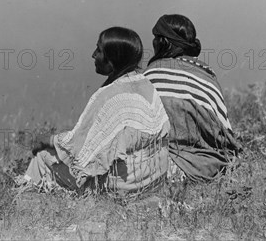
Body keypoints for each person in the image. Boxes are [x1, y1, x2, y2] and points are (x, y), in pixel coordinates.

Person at [21, 27, 171, 194]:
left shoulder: (108, 96)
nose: (93, 55)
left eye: (99, 50)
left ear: (112, 58)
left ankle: (22, 199)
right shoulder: (146, 85)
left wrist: (46, 140)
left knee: (42, 156)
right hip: (154, 177)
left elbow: (78, 146)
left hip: (123, 185)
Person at [143, 14, 241, 182]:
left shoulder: (151, 75)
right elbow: (224, 131)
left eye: (155, 38)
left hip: (164, 166)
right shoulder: (208, 78)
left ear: (163, 42)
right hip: (213, 167)